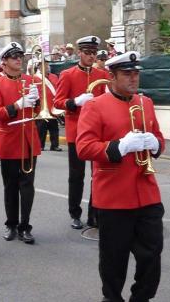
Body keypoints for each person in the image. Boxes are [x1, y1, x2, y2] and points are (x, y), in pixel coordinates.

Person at [77, 51, 165, 302]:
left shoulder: (145, 103)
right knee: (114, 260)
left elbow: (158, 137)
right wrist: (119, 147)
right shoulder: (95, 106)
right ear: (111, 77)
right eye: (127, 74)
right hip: (114, 196)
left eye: (136, 73)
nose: (133, 78)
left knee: (152, 256)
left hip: (147, 194)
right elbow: (84, 147)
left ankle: (141, 298)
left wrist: (156, 144)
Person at [0, 42, 41, 244]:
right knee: (10, 186)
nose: (19, 59)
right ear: (4, 62)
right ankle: (11, 224)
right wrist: (17, 105)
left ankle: (25, 226)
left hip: (29, 140)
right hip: (10, 140)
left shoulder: (31, 80)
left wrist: (35, 103)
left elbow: (37, 111)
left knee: (28, 186)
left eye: (20, 56)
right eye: (13, 57)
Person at [54, 36, 109, 229]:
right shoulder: (68, 74)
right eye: (87, 53)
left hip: (97, 132)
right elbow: (58, 102)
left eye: (94, 53)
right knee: (76, 175)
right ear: (80, 53)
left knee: (98, 173)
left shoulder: (101, 75)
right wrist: (75, 102)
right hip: (76, 130)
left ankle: (94, 213)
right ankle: (75, 213)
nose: (91, 56)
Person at [34, 61, 62, 151]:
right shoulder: (35, 77)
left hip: (53, 106)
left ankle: (54, 145)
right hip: (42, 107)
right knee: (41, 128)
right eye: (43, 64)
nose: (46, 66)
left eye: (47, 64)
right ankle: (40, 145)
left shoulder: (53, 76)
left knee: (54, 128)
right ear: (39, 67)